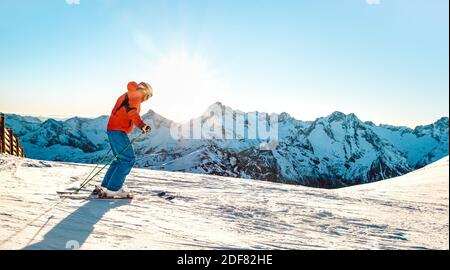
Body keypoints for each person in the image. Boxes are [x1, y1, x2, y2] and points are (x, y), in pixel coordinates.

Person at [95, 81, 153, 198]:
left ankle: (106, 187)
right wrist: (142, 125)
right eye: (148, 96)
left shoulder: (129, 94)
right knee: (128, 160)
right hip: (118, 131)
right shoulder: (135, 96)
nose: (146, 99)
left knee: (119, 160)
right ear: (145, 92)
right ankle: (113, 189)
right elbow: (132, 113)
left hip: (113, 129)